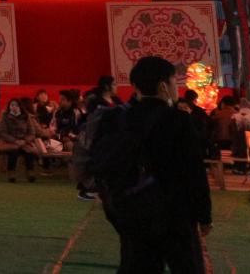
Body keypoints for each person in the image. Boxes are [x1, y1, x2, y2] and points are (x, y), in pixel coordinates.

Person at [87, 56, 212, 273]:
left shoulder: (116, 118)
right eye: (175, 82)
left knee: (136, 265)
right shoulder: (178, 120)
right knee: (186, 266)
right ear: (164, 86)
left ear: (135, 86)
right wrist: (204, 215)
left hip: (131, 207)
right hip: (175, 212)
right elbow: (194, 172)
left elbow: (100, 162)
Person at [0, 97, 41, 182]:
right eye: (12, 105)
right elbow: (2, 132)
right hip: (10, 143)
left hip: (24, 142)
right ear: (9, 106)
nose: (14, 107)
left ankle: (30, 172)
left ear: (20, 107)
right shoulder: (5, 116)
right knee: (13, 152)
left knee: (29, 153)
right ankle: (11, 173)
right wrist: (15, 141)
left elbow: (32, 132)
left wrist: (25, 141)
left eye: (16, 105)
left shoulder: (26, 116)